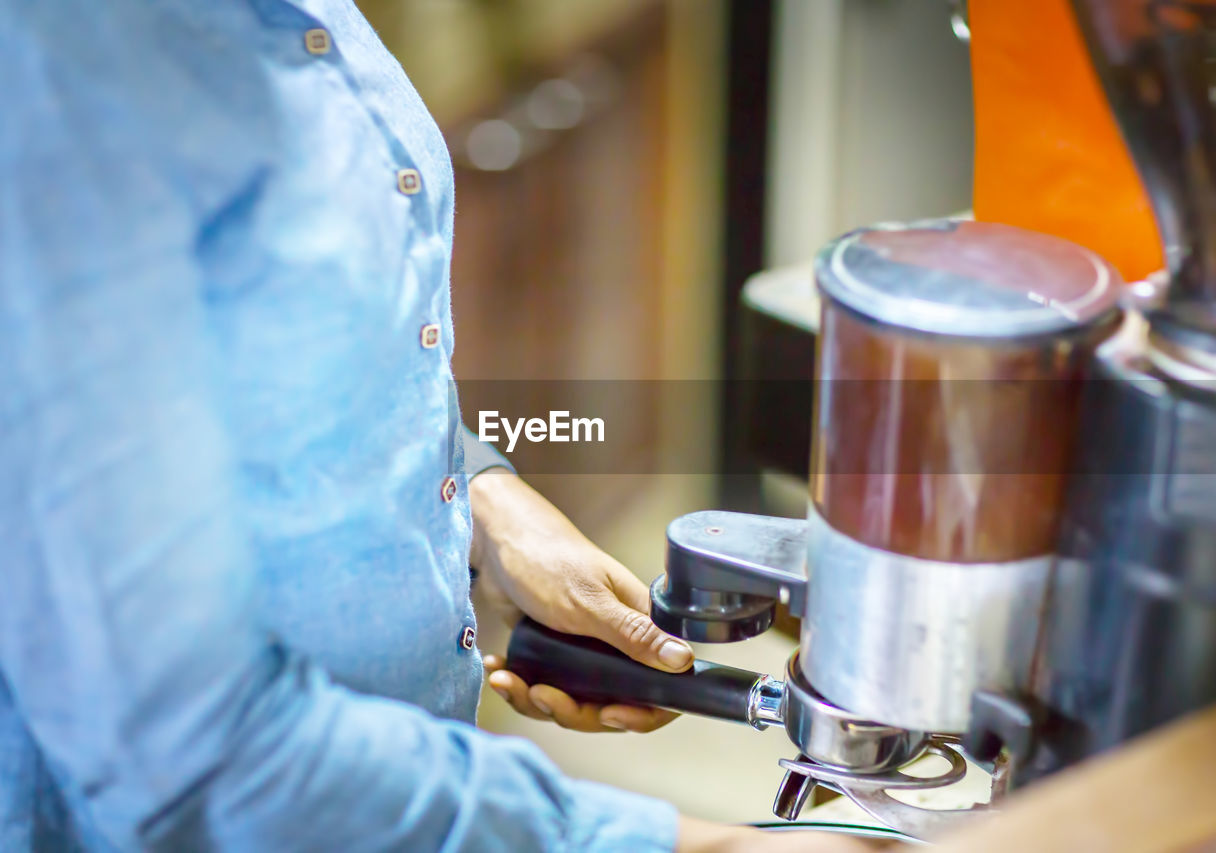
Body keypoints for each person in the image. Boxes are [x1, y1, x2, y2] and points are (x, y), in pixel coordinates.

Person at [0, 2, 870, 851]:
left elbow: (292, 349)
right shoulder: (58, 72)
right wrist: (693, 844)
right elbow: (193, 763)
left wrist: (485, 504)